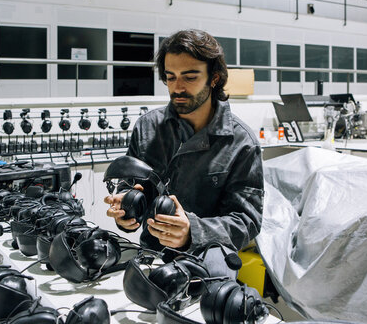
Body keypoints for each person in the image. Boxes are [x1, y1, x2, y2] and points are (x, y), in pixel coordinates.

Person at [105, 29, 263, 277]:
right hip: (151, 256)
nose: (177, 87)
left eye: (189, 77)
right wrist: (125, 212)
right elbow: (130, 188)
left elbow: (247, 222)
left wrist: (193, 231)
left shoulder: (241, 142)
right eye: (170, 77)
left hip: (208, 262)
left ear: (214, 78)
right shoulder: (147, 128)